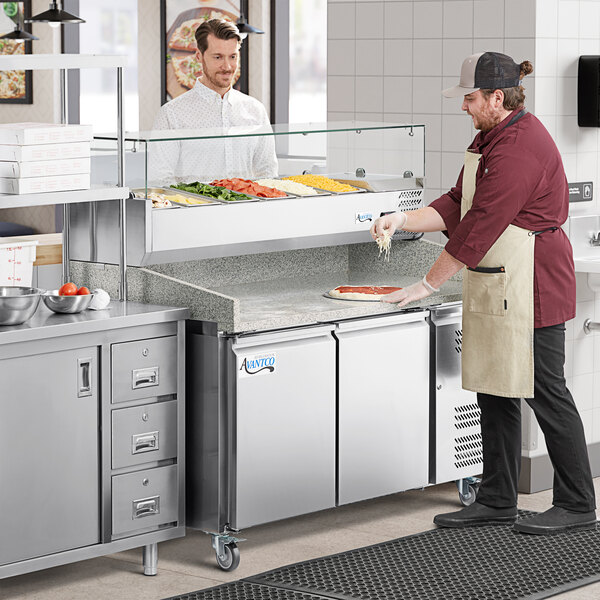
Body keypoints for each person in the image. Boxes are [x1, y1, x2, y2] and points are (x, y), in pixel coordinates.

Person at [371, 52, 597, 535]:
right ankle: (497, 499)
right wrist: (404, 219)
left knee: (545, 391)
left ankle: (578, 503)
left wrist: (427, 284)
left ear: (497, 97)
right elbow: (458, 201)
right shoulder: (492, 135)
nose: (463, 107)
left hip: (531, 282)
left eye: (469, 98)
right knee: (495, 388)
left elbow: (479, 225)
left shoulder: (520, 147)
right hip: (501, 279)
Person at [150, 18, 277, 185]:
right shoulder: (171, 113)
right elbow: (160, 180)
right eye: (218, 57)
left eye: (233, 56)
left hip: (247, 209)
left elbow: (267, 173)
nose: (227, 66)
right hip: (194, 210)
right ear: (199, 57)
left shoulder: (255, 109)